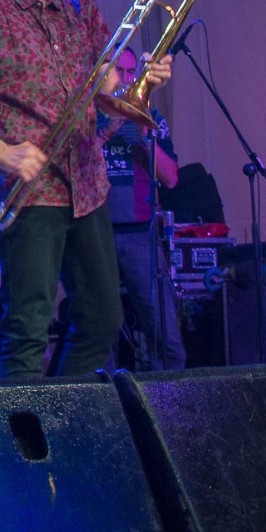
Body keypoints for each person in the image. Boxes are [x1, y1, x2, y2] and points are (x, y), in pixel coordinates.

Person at [0, 0, 169, 378]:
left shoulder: (82, 8)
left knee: (103, 319)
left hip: (87, 187)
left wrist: (144, 84)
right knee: (27, 328)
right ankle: (21, 423)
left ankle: (62, 411)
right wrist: (0, 154)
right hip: (31, 190)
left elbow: (111, 96)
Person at [104, 47, 186, 371]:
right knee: (99, 337)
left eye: (130, 73)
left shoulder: (152, 118)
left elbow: (171, 178)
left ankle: (164, 400)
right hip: (96, 232)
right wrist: (108, 128)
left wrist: (145, 138)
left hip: (140, 233)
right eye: (118, 71)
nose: (125, 79)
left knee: (166, 338)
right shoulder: (87, 115)